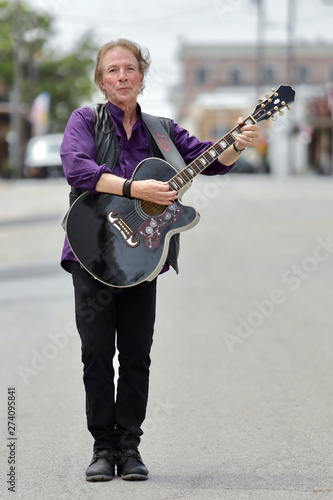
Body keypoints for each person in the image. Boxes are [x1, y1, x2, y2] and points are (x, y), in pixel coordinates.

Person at [60, 38, 260, 482]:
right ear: (101, 80)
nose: (122, 77)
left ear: (142, 77)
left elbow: (210, 161)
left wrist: (238, 142)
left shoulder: (163, 130)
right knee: (96, 352)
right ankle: (101, 447)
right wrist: (136, 190)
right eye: (112, 71)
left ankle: (129, 448)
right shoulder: (86, 121)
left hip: (144, 259)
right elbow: (76, 168)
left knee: (136, 354)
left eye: (130, 69)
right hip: (92, 251)